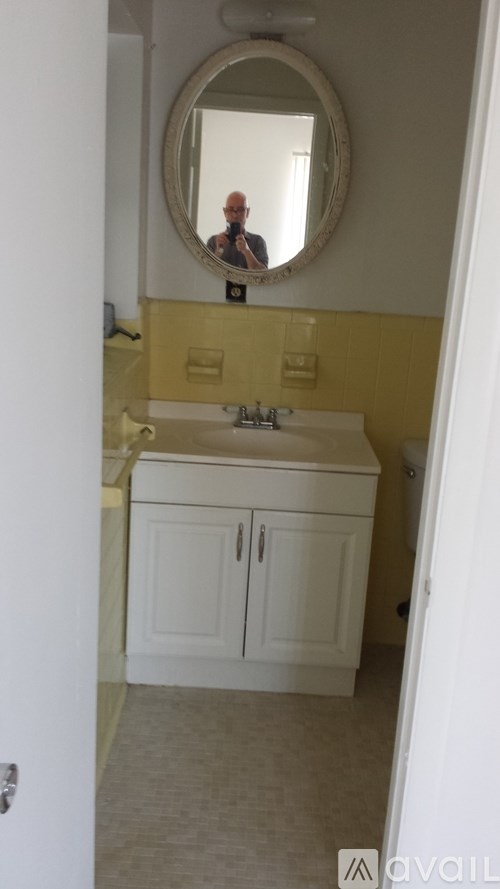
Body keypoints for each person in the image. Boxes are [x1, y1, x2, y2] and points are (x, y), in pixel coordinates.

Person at [207, 191, 269, 270]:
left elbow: (263, 276)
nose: (235, 215)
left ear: (248, 212)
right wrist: (218, 251)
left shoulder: (258, 242)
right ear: (224, 212)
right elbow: (206, 274)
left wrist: (247, 251)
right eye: (230, 209)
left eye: (240, 209)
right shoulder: (213, 242)